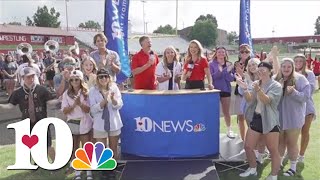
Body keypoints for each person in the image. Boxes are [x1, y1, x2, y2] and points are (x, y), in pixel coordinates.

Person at [0, 67, 57, 163]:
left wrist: (61, 100)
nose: (31, 79)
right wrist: (1, 106)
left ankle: (56, 162)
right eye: (28, 77)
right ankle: (37, 162)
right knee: (32, 144)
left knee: (47, 144)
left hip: (42, 121)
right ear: (22, 78)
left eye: (32, 77)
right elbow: (10, 105)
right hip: (27, 122)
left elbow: (50, 102)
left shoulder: (41, 89)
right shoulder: (17, 93)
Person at [236, 62, 282, 180]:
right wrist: (245, 88)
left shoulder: (276, 85)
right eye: (259, 69)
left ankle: (273, 176)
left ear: (270, 71)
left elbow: (267, 101)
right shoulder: (256, 83)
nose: (260, 71)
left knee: (273, 150)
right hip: (256, 118)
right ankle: (252, 169)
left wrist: (259, 90)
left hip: (270, 121)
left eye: (263, 69)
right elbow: (249, 100)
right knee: (248, 147)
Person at [275, 58, 310, 177]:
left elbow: (305, 97)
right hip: (278, 117)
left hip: (294, 118)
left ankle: (293, 167)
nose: (286, 69)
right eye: (283, 66)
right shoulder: (276, 78)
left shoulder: (301, 79)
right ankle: (278, 163)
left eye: (288, 66)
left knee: (292, 143)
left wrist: (293, 92)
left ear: (293, 67)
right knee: (280, 142)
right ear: (281, 67)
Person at [89, 68, 123, 179]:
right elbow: (93, 110)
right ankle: (104, 169)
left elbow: (119, 105)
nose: (103, 79)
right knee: (101, 147)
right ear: (97, 79)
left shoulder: (114, 88)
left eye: (105, 76)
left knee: (113, 147)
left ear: (109, 78)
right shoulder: (93, 91)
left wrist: (113, 99)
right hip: (100, 123)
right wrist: (104, 101)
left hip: (113, 121)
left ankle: (112, 168)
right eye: (101, 77)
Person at [61, 70, 93, 180]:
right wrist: (74, 105)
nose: (74, 81)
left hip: (85, 123)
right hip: (72, 123)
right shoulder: (66, 94)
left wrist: (80, 103)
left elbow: (89, 109)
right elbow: (65, 111)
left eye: (77, 79)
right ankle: (77, 172)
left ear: (81, 80)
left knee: (86, 147)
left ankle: (88, 172)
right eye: (72, 80)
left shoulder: (87, 93)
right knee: (75, 148)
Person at [293, 54, 316, 163]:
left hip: (307, 108)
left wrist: (294, 89)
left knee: (304, 131)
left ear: (304, 63)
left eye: (300, 61)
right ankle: (292, 152)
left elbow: (309, 91)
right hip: (294, 108)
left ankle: (301, 155)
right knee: (292, 132)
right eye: (296, 61)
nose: (298, 63)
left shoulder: (309, 74)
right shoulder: (290, 73)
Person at [209, 46, 235, 138]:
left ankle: (229, 130)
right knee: (214, 112)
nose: (221, 54)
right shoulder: (211, 64)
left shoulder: (229, 64)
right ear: (216, 53)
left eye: (223, 52)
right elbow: (212, 77)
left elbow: (231, 79)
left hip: (226, 90)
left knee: (226, 112)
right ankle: (213, 131)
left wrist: (227, 72)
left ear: (225, 53)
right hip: (214, 91)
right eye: (219, 52)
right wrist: (220, 72)